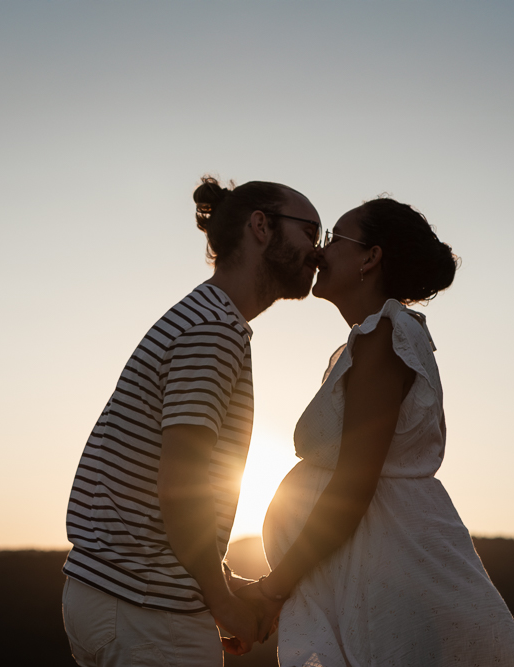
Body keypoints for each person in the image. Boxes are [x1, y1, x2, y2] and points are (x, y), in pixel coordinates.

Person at [237, 198, 514, 666]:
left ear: (370, 258)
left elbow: (354, 485)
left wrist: (274, 589)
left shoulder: (384, 338)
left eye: (335, 239)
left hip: (393, 571)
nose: (320, 252)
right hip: (376, 567)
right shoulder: (375, 338)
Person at [61, 176, 322, 666]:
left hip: (118, 595)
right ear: (261, 227)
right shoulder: (212, 331)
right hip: (148, 611)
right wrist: (220, 602)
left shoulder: (204, 319)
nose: (319, 251)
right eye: (310, 231)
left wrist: (218, 582)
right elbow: (181, 484)